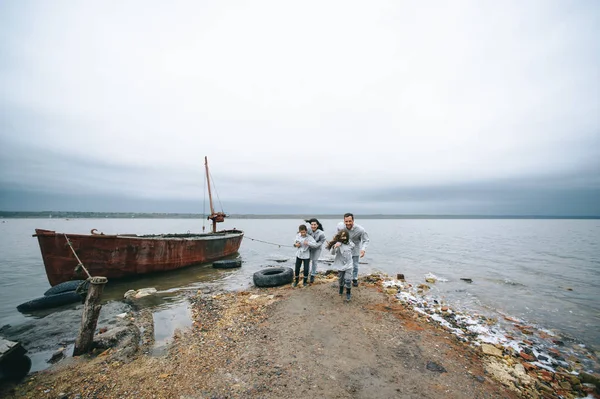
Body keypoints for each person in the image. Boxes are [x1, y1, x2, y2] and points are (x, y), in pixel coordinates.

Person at [336, 213, 370, 287]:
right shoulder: (340, 226)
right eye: (346, 221)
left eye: (350, 221)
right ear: (344, 221)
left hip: (355, 249)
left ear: (353, 220)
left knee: (355, 265)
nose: (348, 223)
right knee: (343, 265)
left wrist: (363, 249)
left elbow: (366, 240)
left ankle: (354, 279)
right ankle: (344, 279)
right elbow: (338, 236)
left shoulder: (360, 229)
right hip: (344, 250)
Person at [326, 230, 355, 301]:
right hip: (340, 265)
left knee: (348, 280)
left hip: (349, 264)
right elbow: (332, 253)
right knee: (341, 279)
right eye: (342, 236)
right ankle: (341, 288)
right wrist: (334, 247)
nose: (344, 238)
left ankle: (348, 292)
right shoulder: (338, 244)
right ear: (340, 237)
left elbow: (353, 248)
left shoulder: (351, 244)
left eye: (345, 236)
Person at [305, 218, 326, 283]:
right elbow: (303, 236)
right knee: (307, 260)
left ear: (317, 225)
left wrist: (309, 243)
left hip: (317, 248)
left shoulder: (321, 234)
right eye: (312, 224)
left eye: (314, 225)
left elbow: (319, 244)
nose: (313, 226)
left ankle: (312, 275)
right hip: (309, 248)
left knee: (314, 261)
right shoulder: (308, 230)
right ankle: (306, 273)